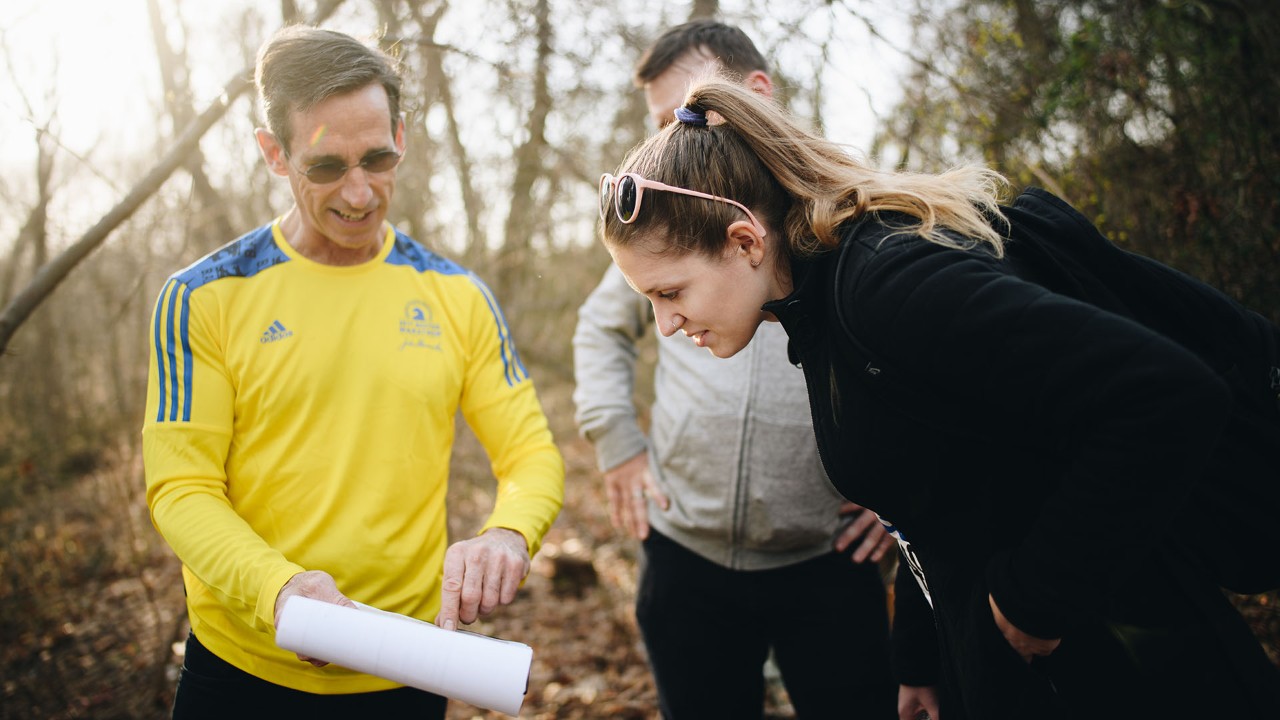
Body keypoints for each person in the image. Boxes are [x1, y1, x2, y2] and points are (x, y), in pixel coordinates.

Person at [596, 76, 1280, 720]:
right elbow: (935, 488)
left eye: (669, 293)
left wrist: (1033, 606)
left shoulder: (886, 287)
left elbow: (1166, 396)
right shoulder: (811, 305)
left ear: (744, 240)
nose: (665, 325)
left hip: (1127, 664)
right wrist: (924, 660)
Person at [142, 25, 564, 718]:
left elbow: (529, 453)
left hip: (406, 664)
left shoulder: (457, 295)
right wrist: (277, 589)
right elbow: (180, 488)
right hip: (241, 665)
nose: (362, 193)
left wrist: (507, 533)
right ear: (274, 154)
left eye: (378, 157)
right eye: (327, 167)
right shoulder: (202, 296)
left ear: (400, 133)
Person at [573, 19, 896, 720]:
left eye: (682, 117)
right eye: (657, 126)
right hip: (685, 555)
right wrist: (618, 444)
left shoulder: (846, 222)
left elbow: (908, 363)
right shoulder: (663, 230)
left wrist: (895, 493)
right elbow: (603, 326)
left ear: (755, 92)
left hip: (826, 560)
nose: (666, 148)